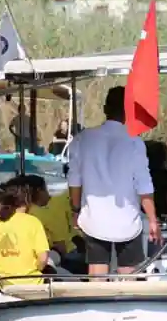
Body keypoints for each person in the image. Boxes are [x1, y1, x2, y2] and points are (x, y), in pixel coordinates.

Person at [67, 86, 161, 277]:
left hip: (94, 218)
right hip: (127, 221)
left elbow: (74, 180)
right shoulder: (134, 142)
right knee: (129, 276)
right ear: (129, 110)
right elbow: (144, 186)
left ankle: (96, 302)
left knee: (97, 274)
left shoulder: (82, 139)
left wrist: (75, 210)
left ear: (104, 108)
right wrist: (152, 220)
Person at [0, 185, 50, 297]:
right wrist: (36, 269)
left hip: (2, 285)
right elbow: (43, 259)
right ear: (27, 202)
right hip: (32, 285)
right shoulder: (34, 222)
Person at [12, 174, 85, 275]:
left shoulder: (25, 213)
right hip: (65, 254)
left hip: (63, 255)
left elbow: (61, 246)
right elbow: (61, 245)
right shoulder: (46, 211)